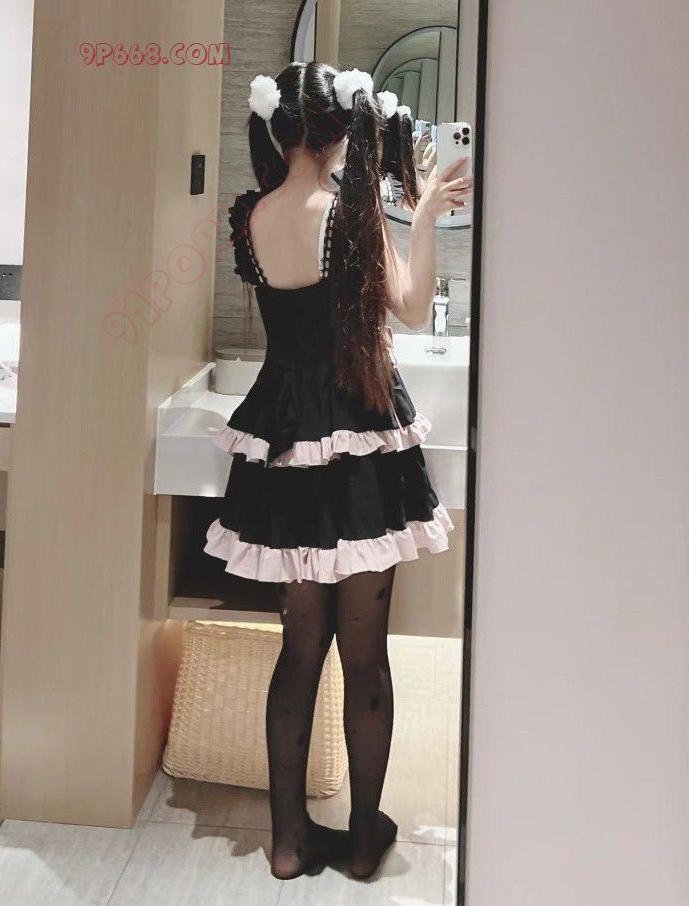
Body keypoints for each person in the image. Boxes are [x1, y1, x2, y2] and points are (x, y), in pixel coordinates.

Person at [204, 61, 473, 881]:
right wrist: (421, 217)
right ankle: (362, 841)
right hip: (357, 432)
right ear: (335, 132)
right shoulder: (348, 216)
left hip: (284, 435)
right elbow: (413, 309)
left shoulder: (253, 215)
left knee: (298, 650)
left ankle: (288, 844)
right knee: (365, 656)